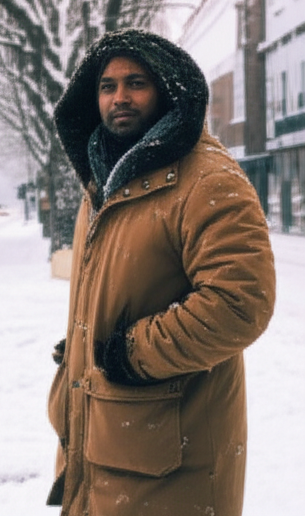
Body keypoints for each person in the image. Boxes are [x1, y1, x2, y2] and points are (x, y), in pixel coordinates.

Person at [46, 29, 276, 514]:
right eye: (107, 87)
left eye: (136, 83)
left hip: (171, 460)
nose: (119, 97)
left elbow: (240, 303)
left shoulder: (208, 180)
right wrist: (82, 351)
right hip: (102, 443)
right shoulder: (102, 181)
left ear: (168, 89)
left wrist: (131, 353)